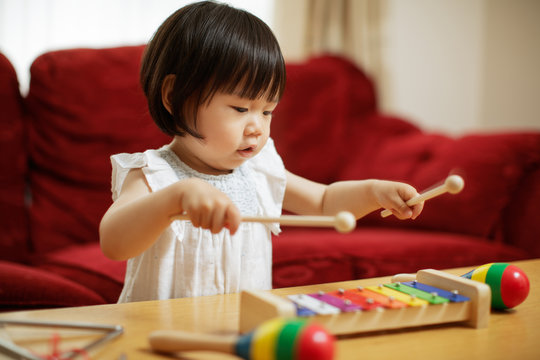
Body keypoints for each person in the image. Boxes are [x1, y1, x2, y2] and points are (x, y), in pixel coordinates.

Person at [99, 1, 424, 303]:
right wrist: (176, 198)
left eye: (267, 111)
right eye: (240, 108)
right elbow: (114, 243)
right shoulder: (155, 174)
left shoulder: (258, 169)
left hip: (240, 332)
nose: (256, 127)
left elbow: (324, 203)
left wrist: (374, 192)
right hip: (159, 335)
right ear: (174, 96)